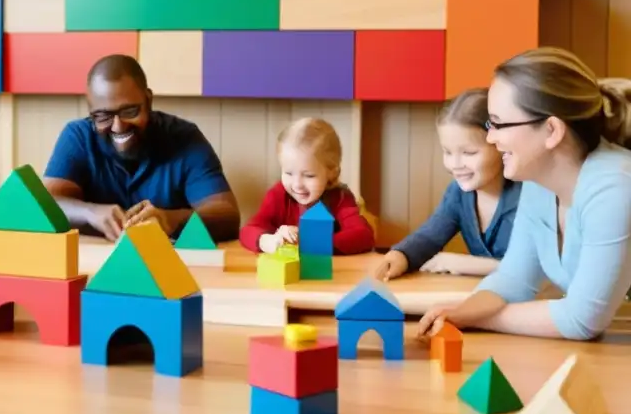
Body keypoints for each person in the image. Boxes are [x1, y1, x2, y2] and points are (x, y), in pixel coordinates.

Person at [417, 47, 631, 342]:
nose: (491, 138)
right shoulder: (539, 182)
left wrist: (474, 317)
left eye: (499, 124)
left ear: (552, 130)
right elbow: (513, 279)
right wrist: (460, 312)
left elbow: (583, 320)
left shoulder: (615, 188)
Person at [43, 54, 241, 242]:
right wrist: (90, 212)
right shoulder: (78, 136)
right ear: (91, 111)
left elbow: (227, 216)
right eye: (103, 116)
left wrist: (169, 220)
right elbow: (46, 203)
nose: (118, 126)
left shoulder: (184, 137)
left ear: (148, 100)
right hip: (94, 268)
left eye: (130, 111)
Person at [373, 89, 520, 280]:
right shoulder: (458, 193)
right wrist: (401, 256)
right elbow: (429, 237)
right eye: (447, 152)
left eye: (469, 153)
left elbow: (537, 270)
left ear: (501, 146)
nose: (455, 165)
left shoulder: (531, 194)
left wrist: (469, 264)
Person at [240, 118, 374, 254]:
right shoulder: (278, 195)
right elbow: (248, 230)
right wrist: (266, 241)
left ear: (331, 173)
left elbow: (363, 236)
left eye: (309, 176)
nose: (297, 184)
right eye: (288, 173)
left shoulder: (340, 198)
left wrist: (310, 243)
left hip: (332, 273)